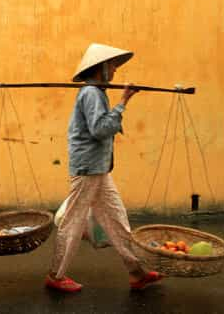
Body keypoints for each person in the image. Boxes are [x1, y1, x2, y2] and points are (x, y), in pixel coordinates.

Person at [45, 43, 164, 292]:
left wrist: (121, 101)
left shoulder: (97, 92)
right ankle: (55, 276)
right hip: (88, 168)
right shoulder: (91, 93)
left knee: (117, 219)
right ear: (101, 68)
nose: (115, 71)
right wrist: (123, 102)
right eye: (112, 66)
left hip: (99, 168)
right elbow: (99, 129)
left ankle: (136, 272)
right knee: (73, 221)